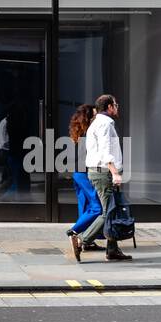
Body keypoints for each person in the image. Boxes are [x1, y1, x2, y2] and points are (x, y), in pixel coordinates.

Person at [70, 93, 132, 262]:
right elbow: (105, 151)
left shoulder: (96, 123)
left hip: (97, 171)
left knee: (112, 210)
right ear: (109, 107)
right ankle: (82, 240)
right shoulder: (105, 123)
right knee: (108, 212)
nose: (117, 108)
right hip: (103, 172)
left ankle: (112, 250)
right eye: (116, 105)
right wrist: (114, 172)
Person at [66, 103, 104, 260]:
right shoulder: (90, 133)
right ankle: (74, 232)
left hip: (77, 173)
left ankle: (87, 242)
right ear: (88, 117)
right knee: (97, 207)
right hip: (85, 173)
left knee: (85, 206)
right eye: (94, 115)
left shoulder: (78, 132)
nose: (96, 117)